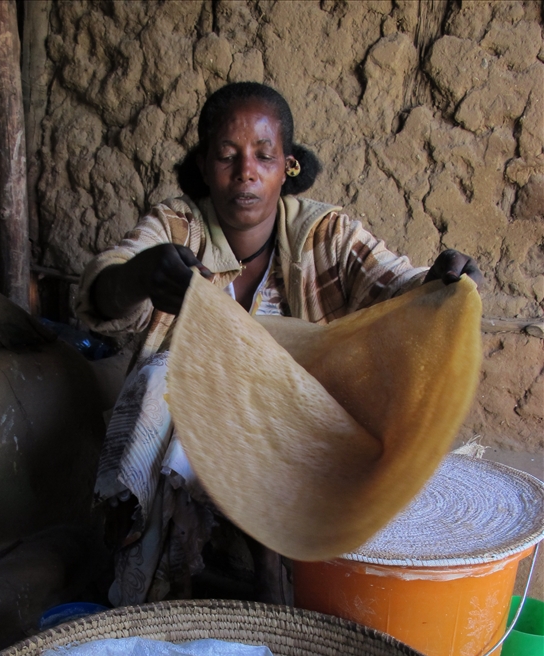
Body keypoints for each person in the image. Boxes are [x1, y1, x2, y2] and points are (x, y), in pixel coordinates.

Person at [75, 82, 482, 607]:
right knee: (162, 377)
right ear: (203, 166)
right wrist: (141, 275)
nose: (246, 171)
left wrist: (444, 285)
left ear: (288, 167)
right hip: (194, 443)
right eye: (227, 156)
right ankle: (147, 590)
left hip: (296, 442)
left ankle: (271, 577)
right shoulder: (178, 228)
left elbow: (400, 288)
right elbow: (101, 292)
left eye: (264, 156)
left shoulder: (326, 235)